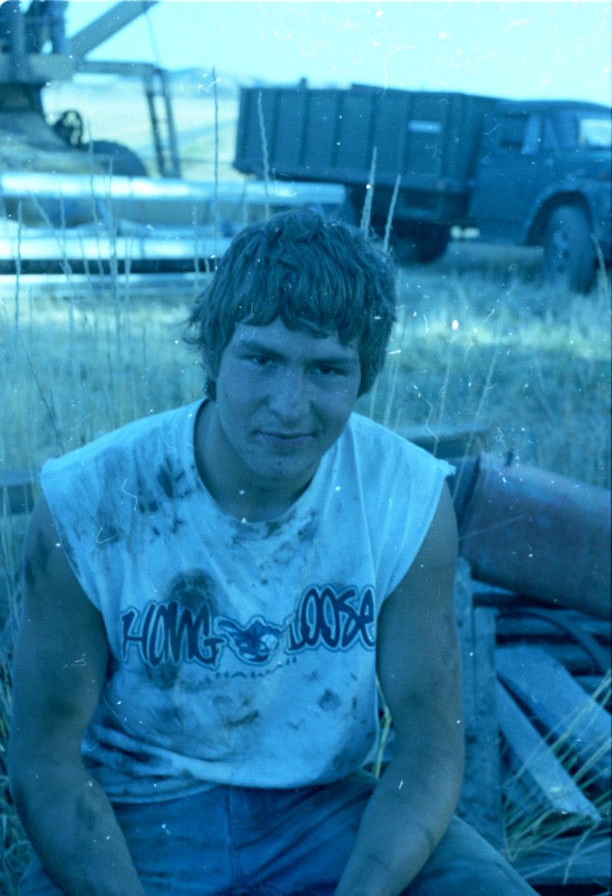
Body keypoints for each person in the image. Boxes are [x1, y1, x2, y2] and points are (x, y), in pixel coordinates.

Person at [9, 210, 536, 896]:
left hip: (323, 814)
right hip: (137, 817)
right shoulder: (90, 500)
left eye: (327, 369)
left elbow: (429, 749)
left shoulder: (405, 496)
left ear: (364, 376)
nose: (290, 405)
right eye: (262, 359)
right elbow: (45, 761)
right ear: (213, 355)